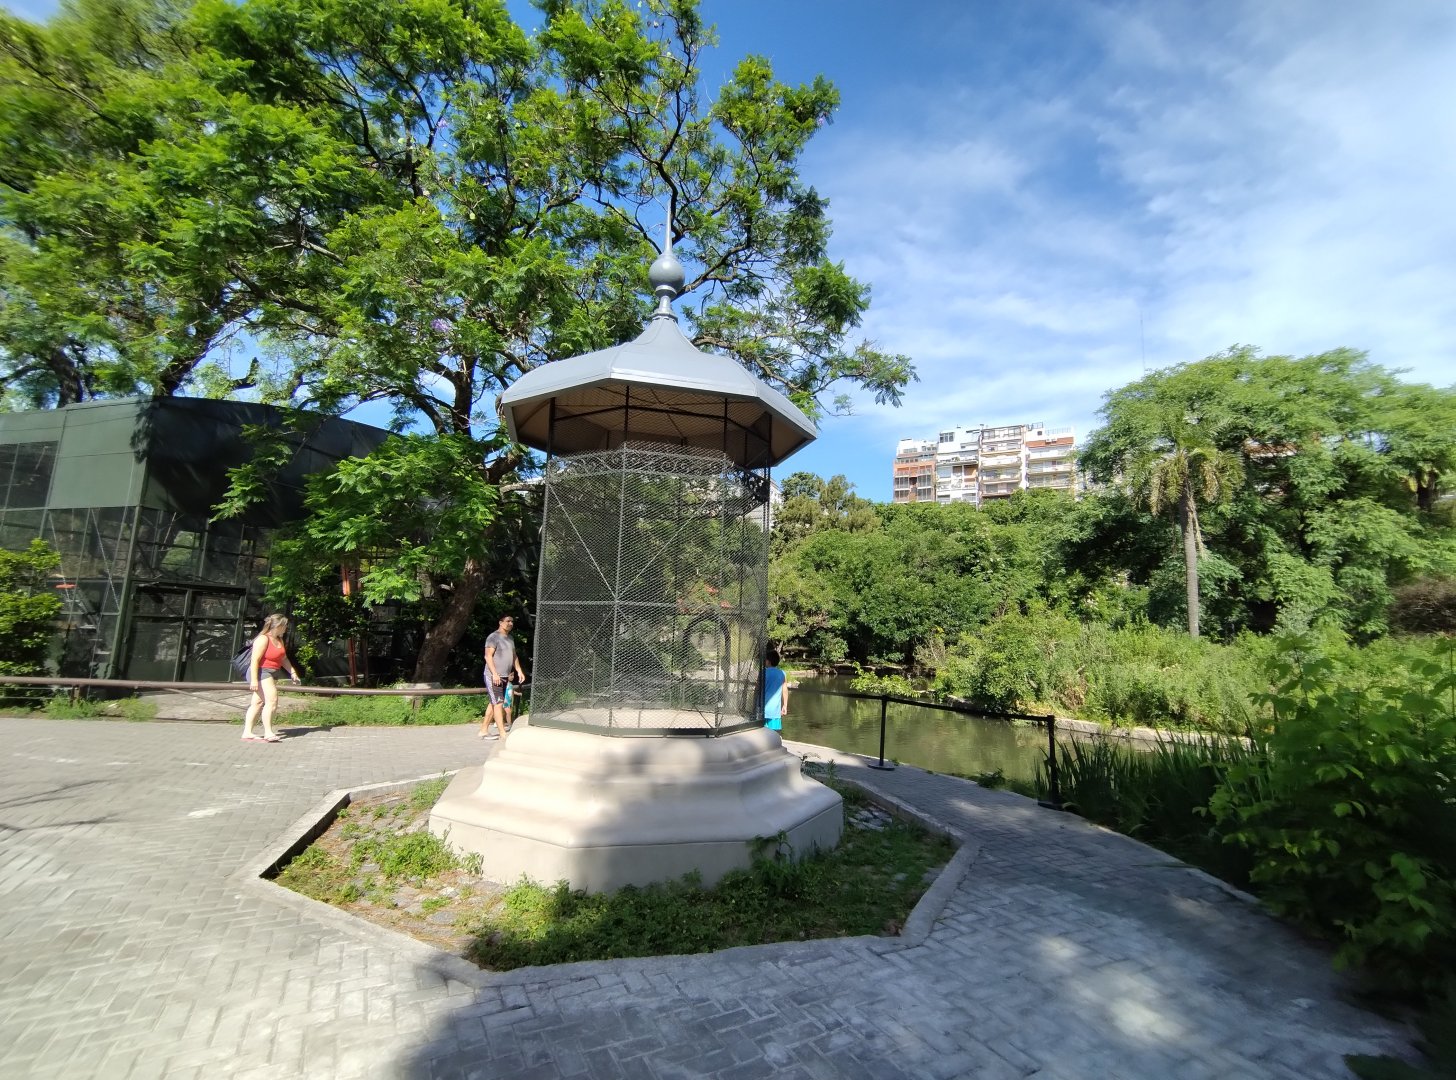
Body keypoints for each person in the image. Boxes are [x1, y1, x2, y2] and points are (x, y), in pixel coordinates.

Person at [242, 614, 302, 742]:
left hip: (272, 672)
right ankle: (268, 732)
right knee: (272, 700)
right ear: (279, 626)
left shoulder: (279, 640)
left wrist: (292, 672)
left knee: (257, 703)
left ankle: (247, 732)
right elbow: (254, 660)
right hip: (261, 672)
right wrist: (253, 680)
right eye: (285, 626)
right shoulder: (263, 639)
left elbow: (284, 658)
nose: (286, 628)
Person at [478, 614, 525, 739]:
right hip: (494, 676)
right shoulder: (493, 637)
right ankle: (502, 733)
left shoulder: (510, 638)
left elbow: (514, 656)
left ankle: (483, 730)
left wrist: (519, 670)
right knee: (498, 703)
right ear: (500, 622)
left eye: (512, 621)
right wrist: (494, 674)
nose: (510, 623)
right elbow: (488, 656)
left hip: (504, 676)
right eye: (508, 621)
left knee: (493, 703)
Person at [763, 649, 788, 732]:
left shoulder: (763, 673)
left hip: (762, 710)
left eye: (765, 660)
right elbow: (785, 690)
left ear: (769, 661)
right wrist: (785, 705)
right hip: (775, 711)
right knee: (775, 734)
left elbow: (757, 689)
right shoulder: (782, 673)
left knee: (761, 733)